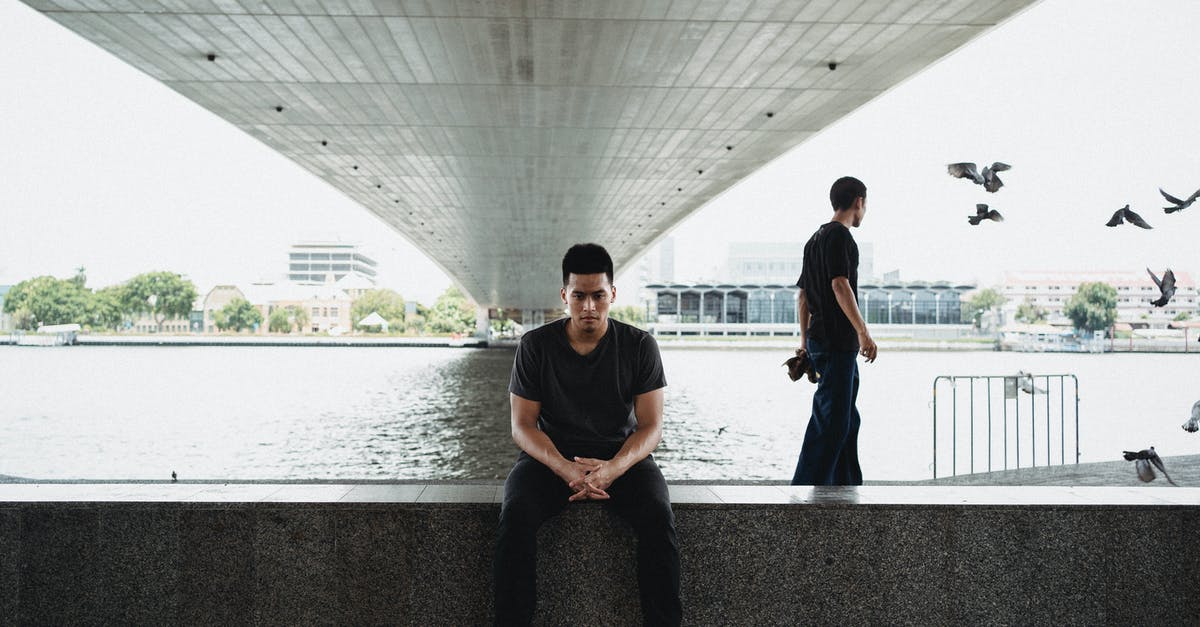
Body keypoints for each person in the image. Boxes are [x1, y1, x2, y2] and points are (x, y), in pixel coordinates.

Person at [493, 243, 681, 626]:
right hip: (550, 459)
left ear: (613, 294)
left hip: (621, 456)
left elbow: (651, 426)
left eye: (598, 296)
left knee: (658, 517)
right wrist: (564, 468)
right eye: (579, 296)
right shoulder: (535, 346)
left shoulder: (639, 345)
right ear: (565, 296)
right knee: (515, 516)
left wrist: (613, 468)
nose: (589, 307)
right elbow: (523, 426)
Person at [792, 176, 878, 486]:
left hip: (819, 341)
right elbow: (840, 285)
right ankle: (804, 491)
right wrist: (863, 332)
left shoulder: (813, 240)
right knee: (830, 422)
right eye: (865, 205)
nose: (864, 211)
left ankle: (846, 485)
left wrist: (804, 344)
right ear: (858, 202)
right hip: (837, 342)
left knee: (846, 419)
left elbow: (803, 297)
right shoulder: (841, 237)